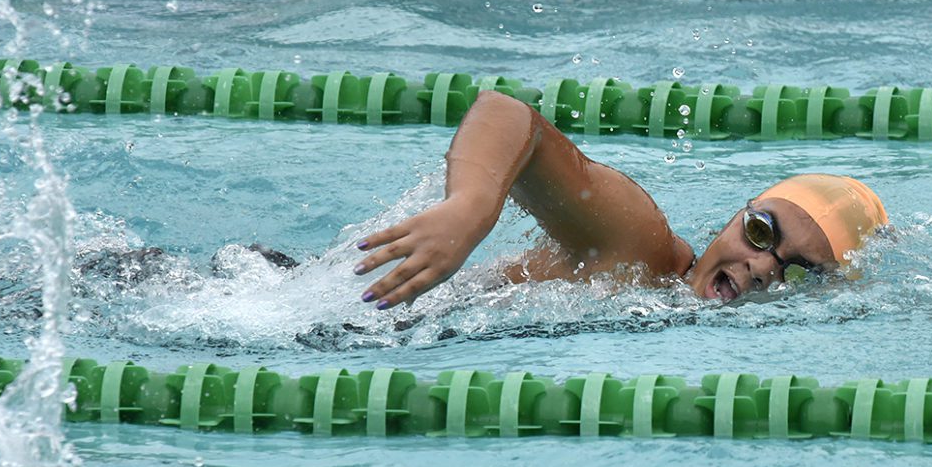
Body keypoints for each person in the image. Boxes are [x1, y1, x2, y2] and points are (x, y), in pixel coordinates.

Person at [352, 91, 888, 309]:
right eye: (763, 233)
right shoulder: (642, 248)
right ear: (737, 215)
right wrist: (469, 209)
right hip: (350, 306)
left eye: (798, 272)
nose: (762, 267)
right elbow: (508, 115)